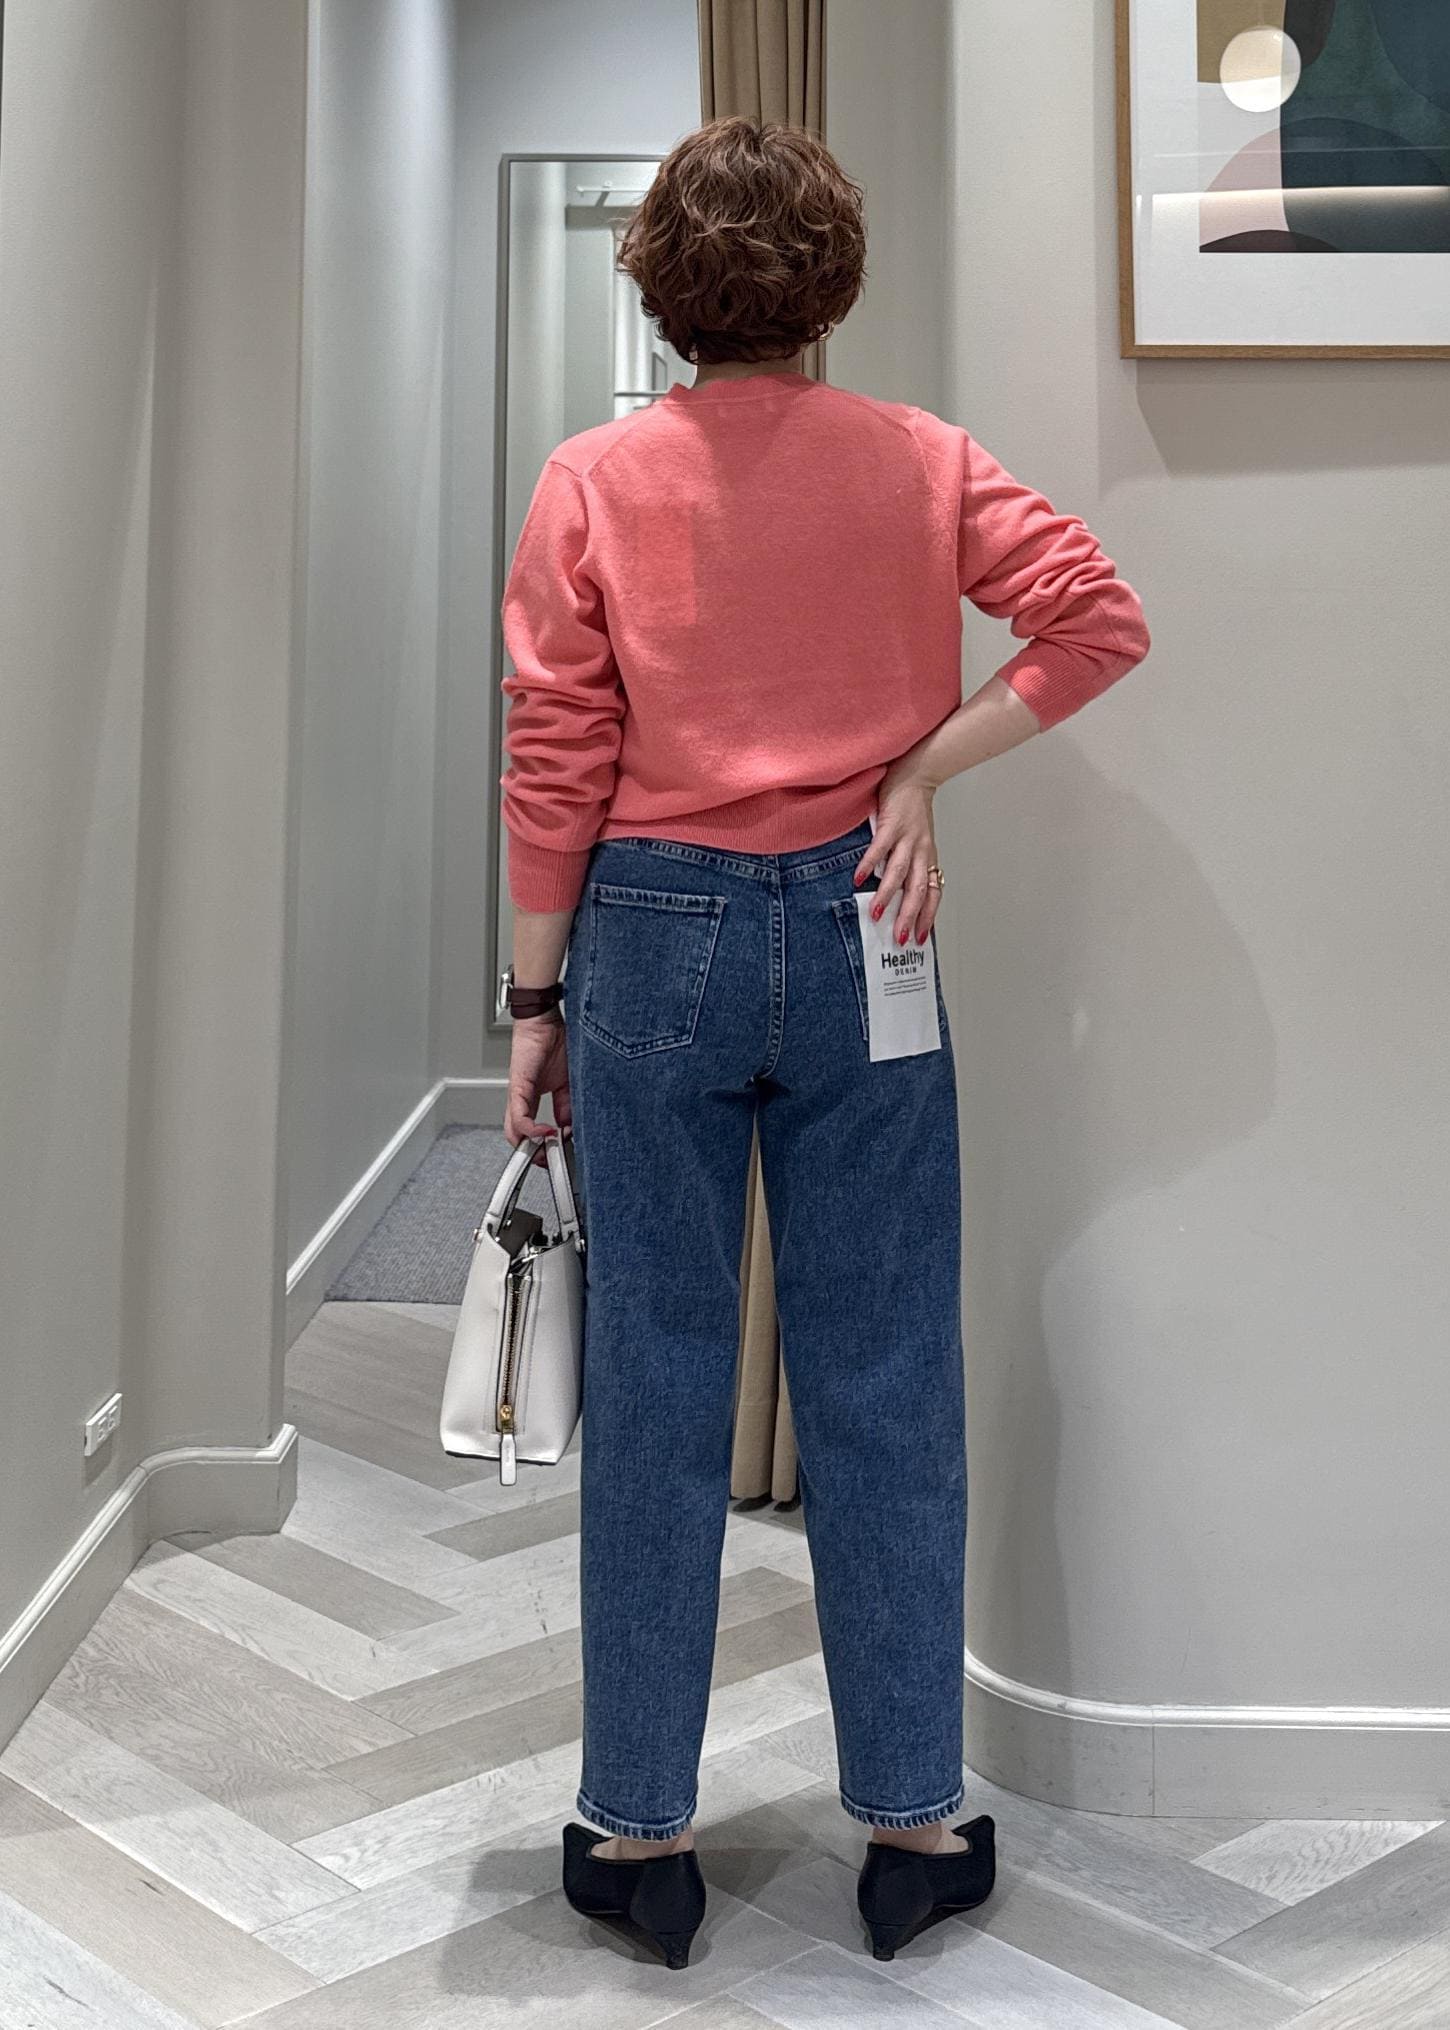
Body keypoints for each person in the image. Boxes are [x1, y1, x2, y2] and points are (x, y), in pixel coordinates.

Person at [496, 115, 1151, 1968]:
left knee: (658, 1371)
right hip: (869, 919)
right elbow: (1095, 617)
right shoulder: (919, 458)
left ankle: (638, 1831)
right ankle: (914, 1821)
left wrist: (533, 1001)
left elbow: (555, 750)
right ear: (831, 286)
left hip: (653, 927)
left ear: (662, 288)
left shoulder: (592, 477)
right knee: (881, 1367)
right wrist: (915, 770)